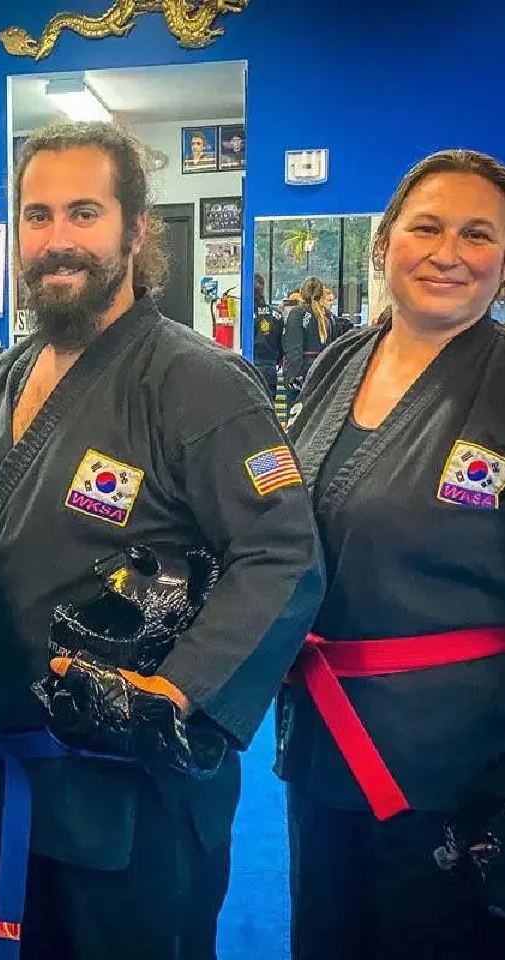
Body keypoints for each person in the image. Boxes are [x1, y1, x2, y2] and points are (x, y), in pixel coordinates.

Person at [0, 120, 324, 960]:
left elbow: (282, 554)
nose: (57, 241)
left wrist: (172, 695)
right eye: (37, 215)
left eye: (84, 213)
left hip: (139, 791)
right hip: (22, 777)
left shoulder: (195, 381)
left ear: (133, 228)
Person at [280, 148, 505, 959]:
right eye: (427, 227)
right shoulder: (339, 361)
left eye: (478, 234)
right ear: (384, 245)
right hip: (322, 735)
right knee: (326, 934)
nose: (448, 252)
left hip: (457, 766)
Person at [282, 276, 333, 412]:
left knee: (295, 424)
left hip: (302, 374)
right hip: (323, 374)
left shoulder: (298, 314)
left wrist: (293, 376)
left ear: (302, 293)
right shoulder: (328, 316)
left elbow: (294, 348)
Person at [253, 272, 284, 399]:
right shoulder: (276, 314)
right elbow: (282, 342)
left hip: (251, 365)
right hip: (270, 367)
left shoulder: (246, 315)